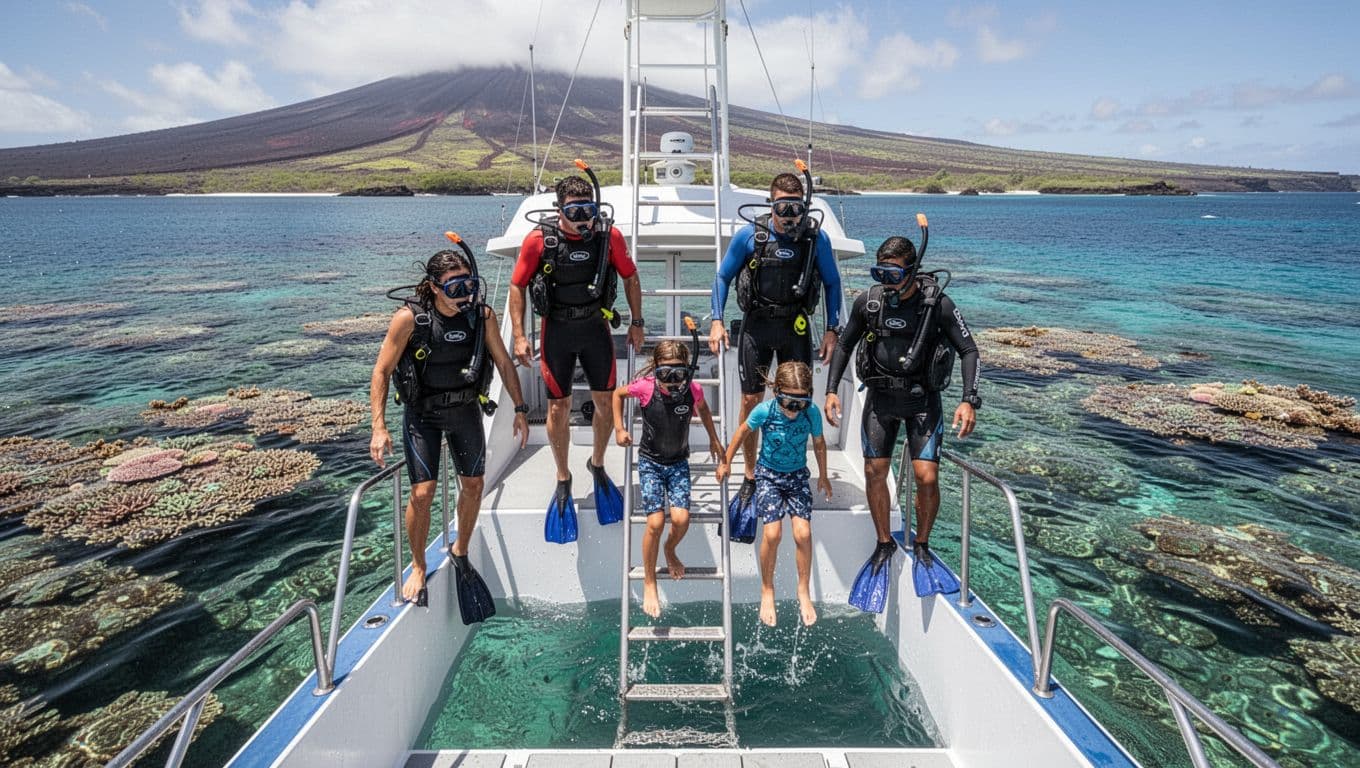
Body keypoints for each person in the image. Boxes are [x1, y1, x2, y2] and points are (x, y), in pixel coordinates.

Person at [369, 244, 529, 623]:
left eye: (468, 286)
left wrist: (521, 409)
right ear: (434, 288)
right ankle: (419, 563)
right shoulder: (409, 320)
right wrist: (378, 426)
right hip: (422, 414)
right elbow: (381, 371)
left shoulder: (481, 316)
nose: (465, 296)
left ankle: (460, 550)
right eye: (455, 288)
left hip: (464, 411)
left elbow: (504, 363)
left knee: (473, 484)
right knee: (422, 493)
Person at [824, 234, 980, 608]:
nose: (886, 281)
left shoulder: (937, 304)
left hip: (922, 401)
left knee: (927, 477)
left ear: (911, 271)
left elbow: (969, 349)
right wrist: (831, 390)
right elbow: (845, 344)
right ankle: (883, 542)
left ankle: (922, 545)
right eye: (880, 272)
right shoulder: (870, 302)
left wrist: (969, 400)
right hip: (880, 401)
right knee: (875, 472)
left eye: (893, 273)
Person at [508, 174, 644, 541]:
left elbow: (630, 277)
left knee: (605, 403)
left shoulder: (608, 237)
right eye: (575, 211)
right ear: (559, 210)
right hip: (558, 333)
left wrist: (637, 322)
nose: (584, 218)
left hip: (595, 329)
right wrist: (520, 335)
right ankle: (563, 474)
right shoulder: (540, 241)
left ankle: (597, 463)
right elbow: (518, 285)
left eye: (589, 210)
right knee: (558, 408)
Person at [708, 172, 842, 522]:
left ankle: (792, 470)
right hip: (757, 326)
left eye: (796, 207)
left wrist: (831, 330)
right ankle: (751, 474)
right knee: (752, 400)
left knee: (798, 398)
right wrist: (717, 319)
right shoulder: (751, 236)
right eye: (782, 206)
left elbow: (832, 282)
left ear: (804, 206)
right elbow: (722, 276)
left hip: (795, 327)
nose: (789, 215)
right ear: (771, 205)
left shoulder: (816, 239)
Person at [612, 337, 724, 618]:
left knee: (682, 519)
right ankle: (650, 580)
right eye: (665, 375)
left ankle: (670, 550)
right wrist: (619, 428)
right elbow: (617, 394)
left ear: (688, 371)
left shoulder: (693, 390)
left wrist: (713, 439)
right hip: (650, 463)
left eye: (679, 375)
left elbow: (706, 412)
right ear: (655, 372)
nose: (673, 382)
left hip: (678, 464)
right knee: (655, 521)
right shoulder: (645, 388)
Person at [716, 361, 831, 627]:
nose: (794, 410)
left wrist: (823, 475)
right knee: (772, 533)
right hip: (767, 476)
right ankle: (767, 589)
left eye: (800, 403)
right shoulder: (764, 410)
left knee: (803, 533)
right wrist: (727, 461)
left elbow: (820, 443)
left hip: (797, 477)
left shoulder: (811, 413)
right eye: (788, 402)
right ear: (776, 392)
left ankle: (803, 590)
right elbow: (742, 431)